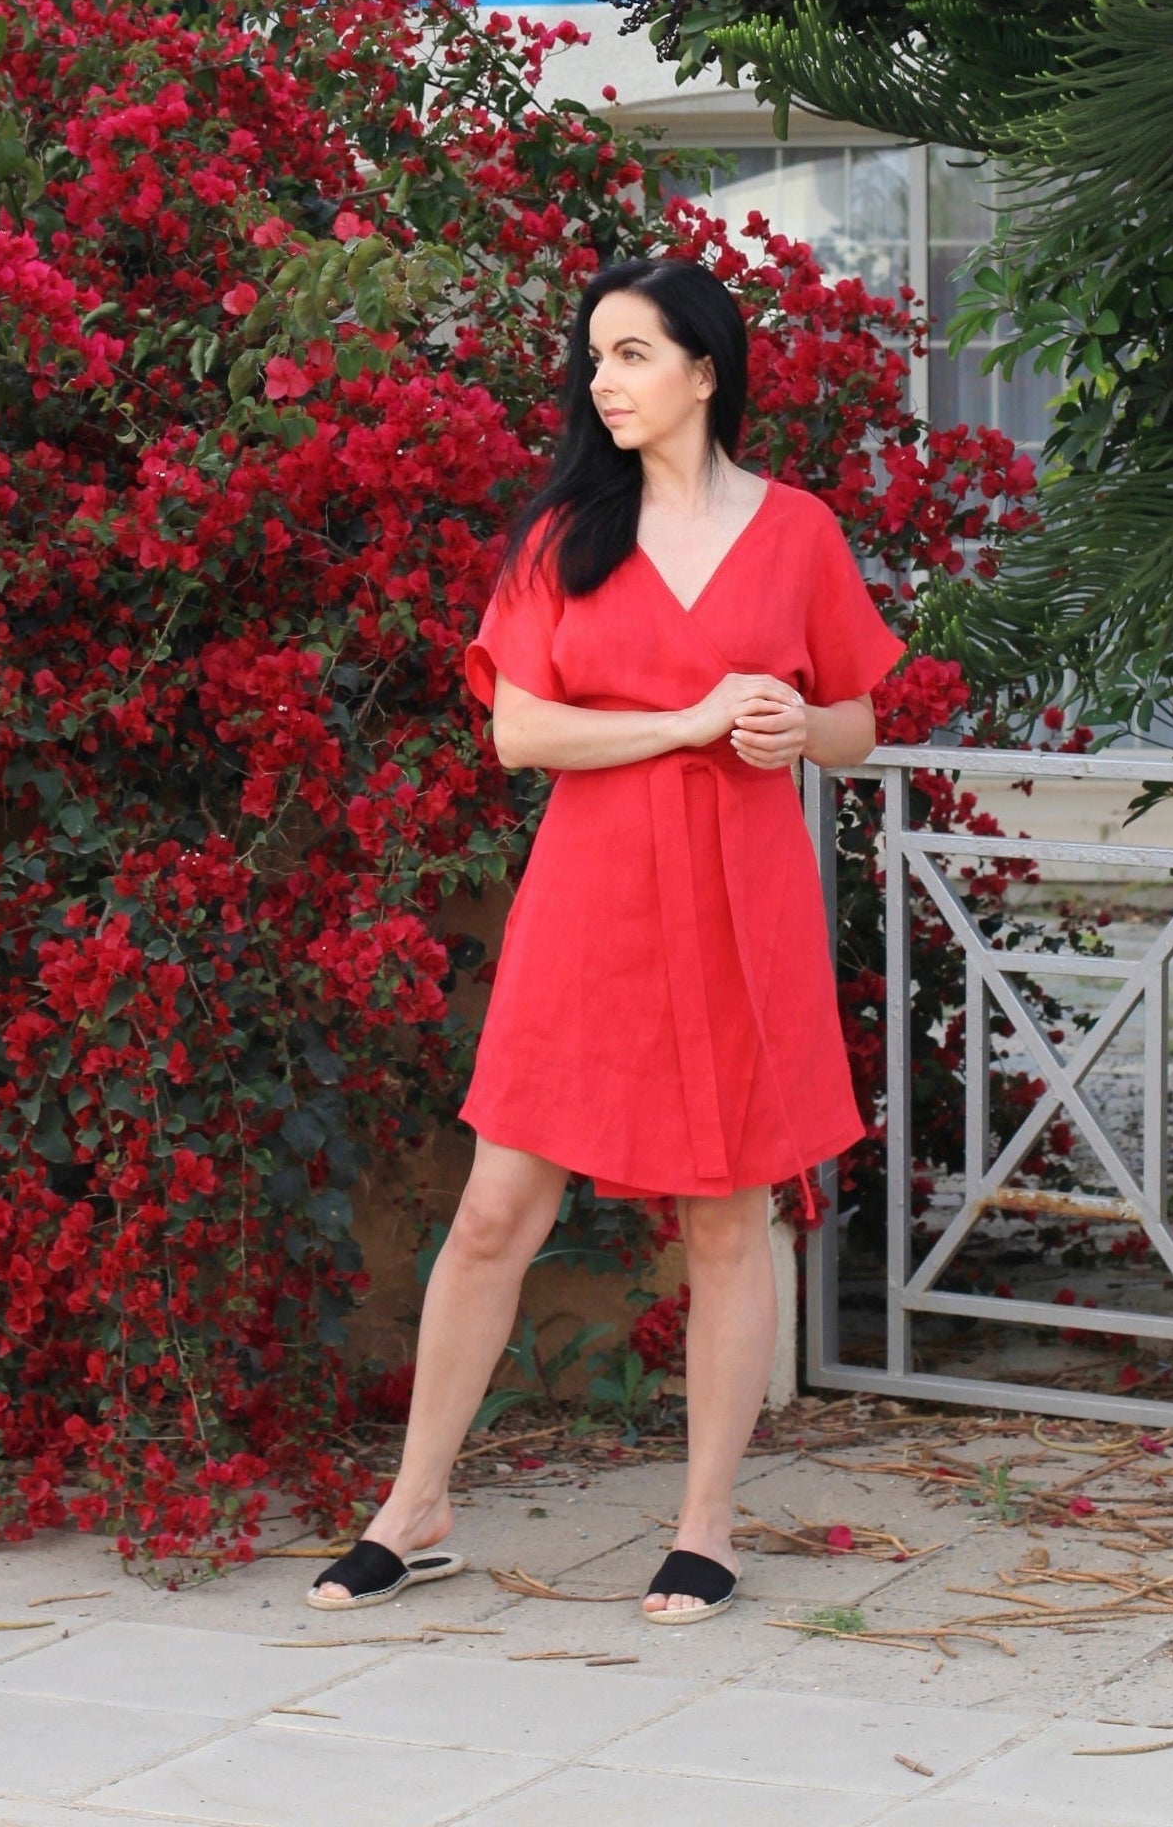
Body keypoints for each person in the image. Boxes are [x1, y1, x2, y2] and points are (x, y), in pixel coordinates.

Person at [311, 256, 904, 1625]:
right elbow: (522, 733)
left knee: (723, 1218)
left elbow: (857, 722)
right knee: (495, 1210)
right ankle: (418, 1506)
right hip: (589, 905)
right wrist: (692, 723)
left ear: (707, 369)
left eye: (632, 353)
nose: (604, 380)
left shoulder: (799, 532)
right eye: (594, 358)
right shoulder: (560, 535)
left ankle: (705, 1529)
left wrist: (791, 730)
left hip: (738, 906)